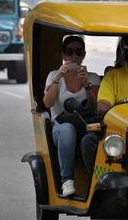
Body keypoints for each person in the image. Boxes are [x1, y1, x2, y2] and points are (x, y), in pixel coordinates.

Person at [43, 35, 100, 196]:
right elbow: (48, 103)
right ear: (63, 55)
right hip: (60, 128)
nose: (74, 56)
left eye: (78, 52)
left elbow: (96, 107)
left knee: (92, 137)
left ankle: (96, 181)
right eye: (70, 52)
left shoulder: (92, 77)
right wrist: (58, 78)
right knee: (67, 129)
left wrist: (87, 85)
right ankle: (67, 180)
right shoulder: (54, 75)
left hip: (85, 126)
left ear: (83, 55)